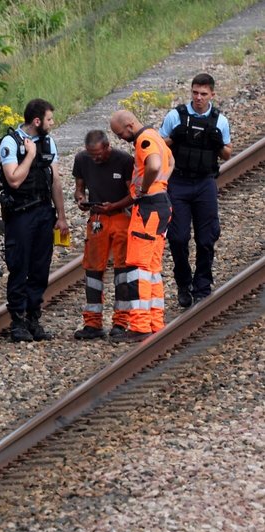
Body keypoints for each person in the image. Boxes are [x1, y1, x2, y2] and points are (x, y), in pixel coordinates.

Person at [0, 98, 69, 342]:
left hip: (43, 212)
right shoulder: (11, 143)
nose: (52, 123)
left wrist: (61, 216)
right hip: (20, 214)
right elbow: (14, 179)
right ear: (37, 121)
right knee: (19, 266)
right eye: (49, 119)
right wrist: (30, 156)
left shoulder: (49, 142)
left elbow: (55, 181)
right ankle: (17, 321)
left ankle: (33, 318)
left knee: (40, 268)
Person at [159, 73, 232, 308]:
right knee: (178, 237)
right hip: (178, 182)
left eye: (203, 94)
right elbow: (158, 147)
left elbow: (227, 153)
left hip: (204, 183)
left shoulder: (219, 120)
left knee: (206, 238)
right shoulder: (175, 116)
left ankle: (202, 284)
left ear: (212, 94)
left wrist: (218, 143)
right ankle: (183, 283)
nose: (198, 98)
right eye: (195, 93)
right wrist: (173, 138)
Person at [109, 109, 174, 342]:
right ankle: (155, 321)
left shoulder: (144, 140)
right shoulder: (155, 135)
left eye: (119, 134)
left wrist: (145, 189)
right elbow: (170, 160)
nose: (120, 139)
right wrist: (161, 184)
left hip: (148, 207)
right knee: (153, 268)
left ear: (129, 125)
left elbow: (155, 165)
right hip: (162, 204)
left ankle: (139, 325)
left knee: (139, 268)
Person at [72, 130, 135, 339]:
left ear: (108, 147)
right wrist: (81, 198)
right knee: (92, 269)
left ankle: (121, 321)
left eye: (98, 154)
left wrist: (114, 205)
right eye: (91, 155)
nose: (95, 158)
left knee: (122, 269)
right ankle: (92, 323)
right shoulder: (82, 159)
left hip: (120, 217)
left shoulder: (125, 161)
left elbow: (134, 194)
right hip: (97, 218)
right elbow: (79, 187)